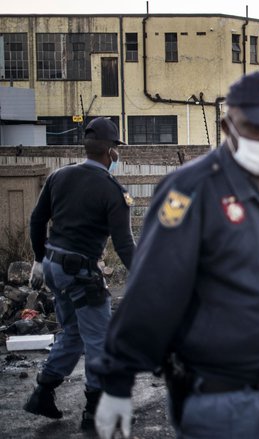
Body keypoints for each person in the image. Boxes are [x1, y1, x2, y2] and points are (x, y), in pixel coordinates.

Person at [91, 71, 259, 439]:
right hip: (217, 398)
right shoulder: (192, 190)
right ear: (229, 125)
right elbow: (153, 289)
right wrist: (118, 379)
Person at [24, 117, 136, 430]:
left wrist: (37, 258)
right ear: (111, 151)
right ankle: (94, 412)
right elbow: (125, 245)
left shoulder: (59, 176)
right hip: (82, 274)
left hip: (53, 267)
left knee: (73, 331)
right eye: (116, 149)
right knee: (100, 339)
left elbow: (37, 221)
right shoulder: (114, 191)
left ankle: (43, 392)